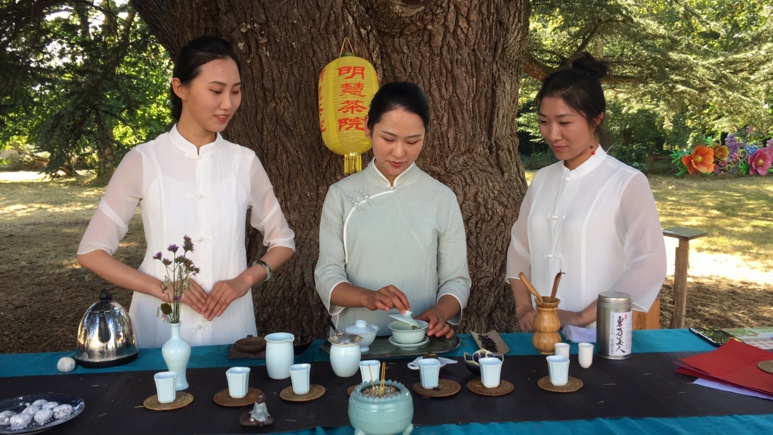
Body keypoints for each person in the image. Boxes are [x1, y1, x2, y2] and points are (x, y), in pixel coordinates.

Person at [77, 36, 295, 348]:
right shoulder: (143, 160)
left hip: (230, 324)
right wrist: (162, 287)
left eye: (236, 91)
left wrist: (243, 280)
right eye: (216, 91)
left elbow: (283, 241)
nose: (228, 104)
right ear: (180, 88)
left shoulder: (244, 162)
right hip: (159, 324)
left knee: (230, 396)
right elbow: (91, 252)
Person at [506, 53, 666, 332]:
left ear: (596, 119)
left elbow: (649, 263)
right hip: (539, 336)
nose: (553, 134)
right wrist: (523, 309)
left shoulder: (626, 182)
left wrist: (581, 317)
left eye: (565, 123)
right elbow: (520, 249)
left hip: (599, 340)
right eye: (544, 121)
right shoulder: (543, 180)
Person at [315, 81, 471, 339]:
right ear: (368, 127)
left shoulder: (441, 198)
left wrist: (440, 313)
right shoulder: (341, 195)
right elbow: (327, 275)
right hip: (355, 344)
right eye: (388, 138)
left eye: (413, 141)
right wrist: (367, 297)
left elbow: (456, 280)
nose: (399, 152)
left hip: (421, 343)